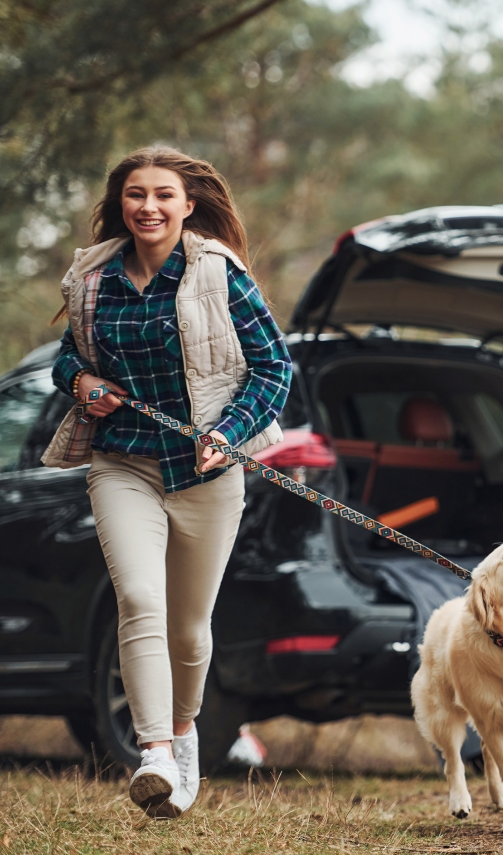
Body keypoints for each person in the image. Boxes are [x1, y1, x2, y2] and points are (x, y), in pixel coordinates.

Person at [42, 146, 291, 818]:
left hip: (204, 473)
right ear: (119, 203)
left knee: (188, 629)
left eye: (162, 195)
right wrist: (83, 381)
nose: (147, 206)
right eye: (134, 194)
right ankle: (152, 750)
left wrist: (230, 431)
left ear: (187, 204)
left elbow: (273, 368)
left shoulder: (219, 272)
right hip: (122, 461)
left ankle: (185, 737)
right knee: (140, 598)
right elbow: (71, 354)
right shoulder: (92, 277)